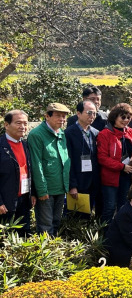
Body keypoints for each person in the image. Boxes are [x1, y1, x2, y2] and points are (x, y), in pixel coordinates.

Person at [28, 102, 71, 235]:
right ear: (47, 116)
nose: (62, 119)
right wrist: (41, 190)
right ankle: (45, 252)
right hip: (46, 189)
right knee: (46, 226)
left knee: (56, 222)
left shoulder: (61, 133)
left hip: (60, 187)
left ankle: (54, 251)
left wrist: (67, 186)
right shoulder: (37, 135)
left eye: (64, 117)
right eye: (58, 116)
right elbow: (36, 164)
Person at [97, 103, 132, 224]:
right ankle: (105, 237)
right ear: (115, 117)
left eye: (128, 117)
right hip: (110, 177)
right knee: (109, 207)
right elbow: (102, 158)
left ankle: (120, 234)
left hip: (126, 176)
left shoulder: (130, 132)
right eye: (122, 117)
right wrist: (122, 166)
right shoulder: (104, 134)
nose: (125, 120)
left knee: (124, 206)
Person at [0, 110, 33, 236]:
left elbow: (29, 170)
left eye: (25, 123)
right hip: (6, 202)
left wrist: (32, 194)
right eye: (18, 123)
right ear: (6, 125)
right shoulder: (1, 145)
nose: (23, 127)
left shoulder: (25, 144)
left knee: (24, 234)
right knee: (6, 238)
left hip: (24, 199)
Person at [65, 101, 101, 213]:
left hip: (93, 181)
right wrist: (72, 185)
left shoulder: (96, 133)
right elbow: (68, 160)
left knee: (88, 215)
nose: (92, 116)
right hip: (78, 181)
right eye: (89, 113)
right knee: (74, 215)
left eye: (94, 113)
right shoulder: (69, 133)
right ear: (78, 113)